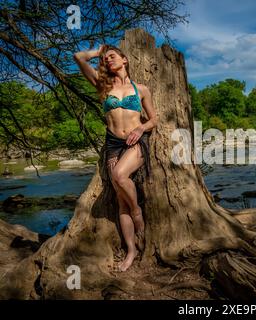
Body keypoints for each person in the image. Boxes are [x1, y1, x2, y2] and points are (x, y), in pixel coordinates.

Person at [73, 45, 158, 272]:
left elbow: (153, 120)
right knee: (121, 203)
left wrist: (141, 130)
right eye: (106, 58)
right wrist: (98, 51)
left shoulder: (141, 89)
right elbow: (78, 57)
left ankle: (137, 211)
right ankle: (131, 250)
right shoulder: (103, 86)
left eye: (113, 56)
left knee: (120, 175)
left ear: (125, 59)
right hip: (113, 144)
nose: (109, 60)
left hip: (136, 143)